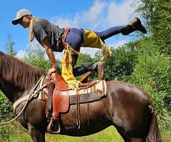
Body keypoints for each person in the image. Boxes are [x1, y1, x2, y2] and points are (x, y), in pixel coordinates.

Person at [12, 8, 147, 88]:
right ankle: (129, 27)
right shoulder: (40, 21)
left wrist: (53, 66)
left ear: (28, 16)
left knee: (66, 76)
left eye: (20, 20)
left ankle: (92, 66)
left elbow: (48, 48)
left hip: (69, 41)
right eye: (18, 22)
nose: (19, 23)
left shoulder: (35, 25)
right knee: (101, 35)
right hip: (75, 33)